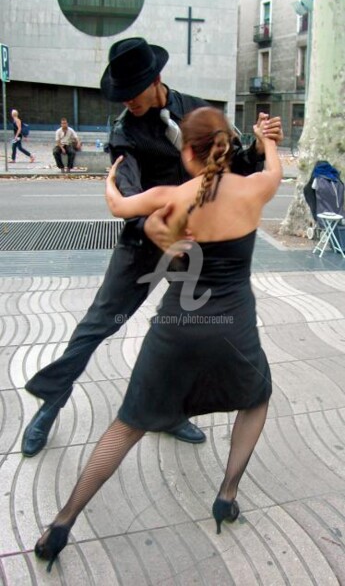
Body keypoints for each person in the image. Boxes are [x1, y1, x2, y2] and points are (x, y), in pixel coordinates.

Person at [34, 106, 282, 572]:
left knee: (128, 424)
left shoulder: (170, 197)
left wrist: (113, 178)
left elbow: (117, 205)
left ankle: (62, 523)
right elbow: (275, 168)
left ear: (187, 152)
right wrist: (264, 138)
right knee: (257, 397)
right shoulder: (255, 189)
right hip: (234, 328)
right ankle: (227, 495)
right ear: (225, 146)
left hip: (176, 330)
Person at [22, 37, 283, 457]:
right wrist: (155, 226)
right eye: (121, 95)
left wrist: (257, 146)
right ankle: (51, 402)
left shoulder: (200, 110)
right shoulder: (124, 131)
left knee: (183, 328)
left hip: (199, 245)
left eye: (134, 92)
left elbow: (235, 166)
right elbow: (126, 188)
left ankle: (171, 414)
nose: (128, 101)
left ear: (157, 79)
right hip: (146, 241)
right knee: (99, 323)